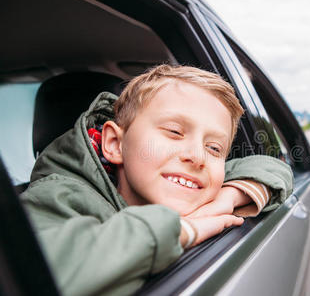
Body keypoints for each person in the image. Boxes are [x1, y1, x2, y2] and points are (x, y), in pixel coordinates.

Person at [21, 65, 293, 295]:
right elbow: (37, 273)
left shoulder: (197, 183)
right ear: (115, 144)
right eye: (174, 131)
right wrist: (184, 230)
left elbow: (274, 168)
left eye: (214, 148)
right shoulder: (56, 195)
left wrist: (226, 198)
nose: (198, 156)